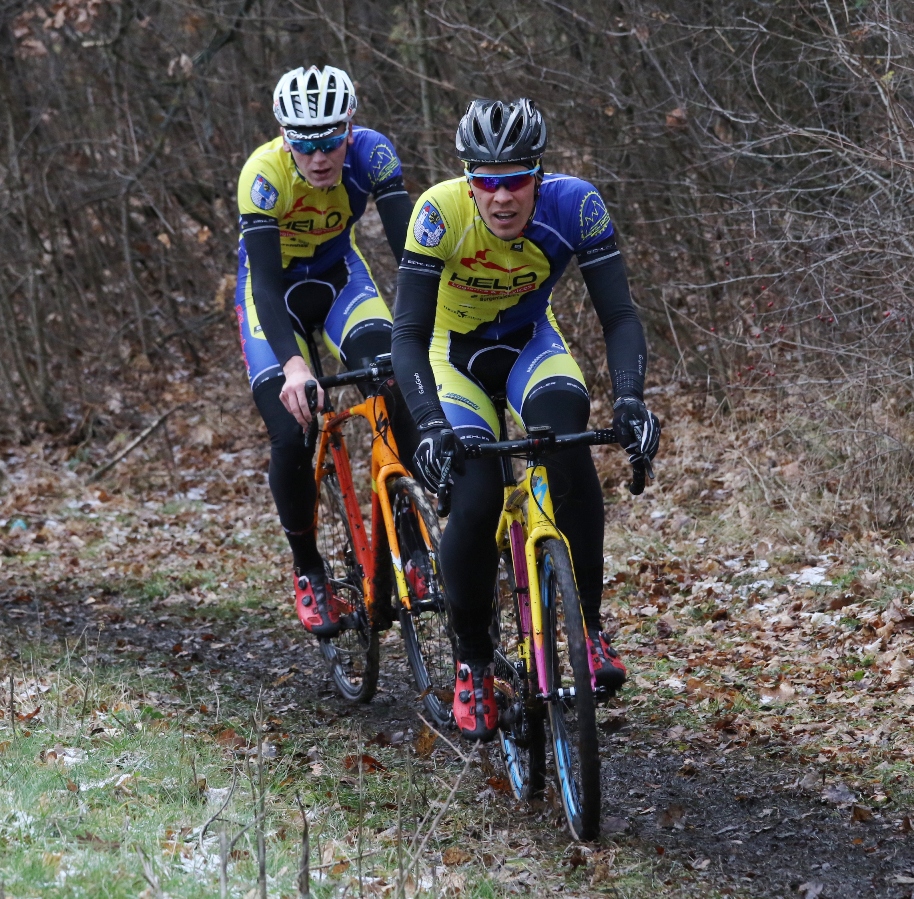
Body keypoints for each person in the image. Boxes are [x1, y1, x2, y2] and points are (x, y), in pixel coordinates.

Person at [392, 98, 660, 741]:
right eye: (487, 181)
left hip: (530, 346)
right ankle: (474, 663)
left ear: (539, 176)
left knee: (568, 440)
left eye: (516, 179)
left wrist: (629, 400)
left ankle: (588, 629)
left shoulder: (577, 205)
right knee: (479, 495)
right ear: (468, 179)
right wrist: (428, 423)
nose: (503, 197)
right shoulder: (438, 213)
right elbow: (406, 334)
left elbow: (620, 317)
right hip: (450, 357)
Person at [235, 64, 415, 639]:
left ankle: (410, 533)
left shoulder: (374, 156)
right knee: (292, 430)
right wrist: (292, 365)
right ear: (285, 137)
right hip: (275, 296)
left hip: (341, 280)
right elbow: (263, 285)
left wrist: (424, 336)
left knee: (396, 378)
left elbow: (414, 256)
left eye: (330, 140)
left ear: (351, 128)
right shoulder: (262, 175)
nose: (319, 156)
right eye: (304, 143)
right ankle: (308, 567)